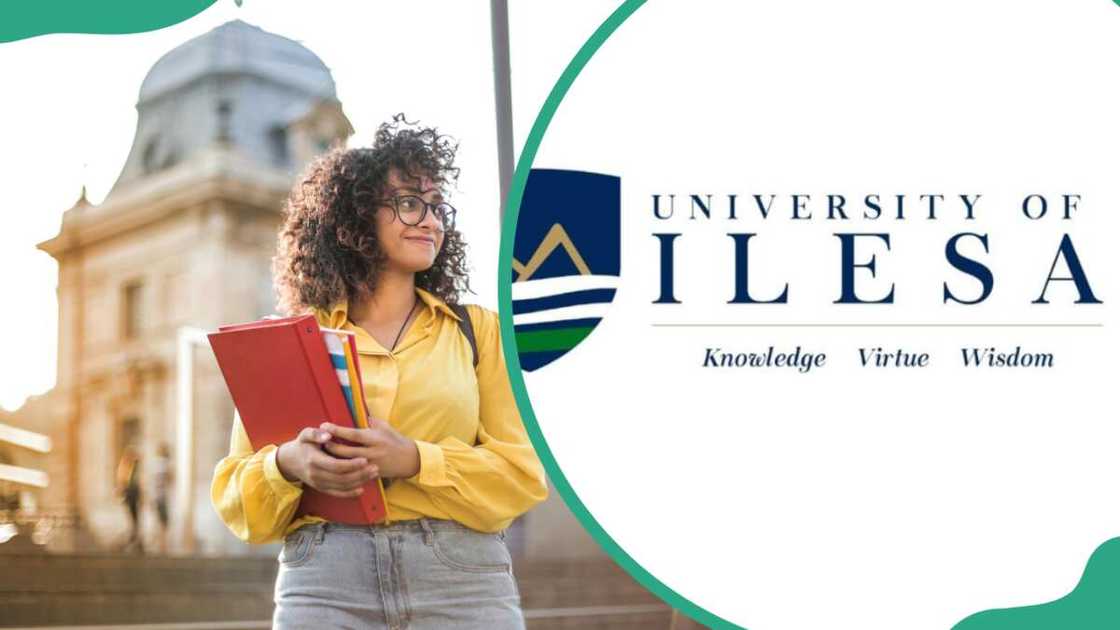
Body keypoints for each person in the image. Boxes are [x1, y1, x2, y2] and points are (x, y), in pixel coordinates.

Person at [210, 115, 549, 629]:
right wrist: (288, 464)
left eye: (437, 207)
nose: (431, 220)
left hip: (461, 579)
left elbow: (522, 476)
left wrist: (414, 459)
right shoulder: (293, 341)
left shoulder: (479, 331)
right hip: (324, 579)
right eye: (410, 203)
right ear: (356, 215)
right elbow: (239, 499)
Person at [115, 445, 143, 553]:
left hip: (132, 495)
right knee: (134, 519)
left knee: (135, 519)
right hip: (131, 495)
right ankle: (134, 539)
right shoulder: (127, 468)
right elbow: (123, 483)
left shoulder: (130, 468)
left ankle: (135, 539)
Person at [152, 442, 173, 554]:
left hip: (157, 496)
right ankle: (162, 545)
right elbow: (168, 479)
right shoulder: (163, 465)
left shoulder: (156, 464)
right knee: (164, 522)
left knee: (161, 521)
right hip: (162, 497)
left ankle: (161, 544)